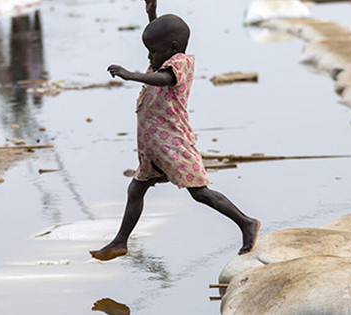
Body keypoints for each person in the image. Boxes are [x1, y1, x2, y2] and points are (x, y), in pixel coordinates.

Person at [89, 0, 260, 261]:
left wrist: (132, 75)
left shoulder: (180, 64)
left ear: (173, 48)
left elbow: (165, 79)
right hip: (153, 147)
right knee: (135, 190)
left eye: (152, 52)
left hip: (173, 143)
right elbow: (159, 41)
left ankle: (246, 222)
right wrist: (152, 14)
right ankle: (120, 242)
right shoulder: (165, 56)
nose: (149, 57)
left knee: (200, 192)